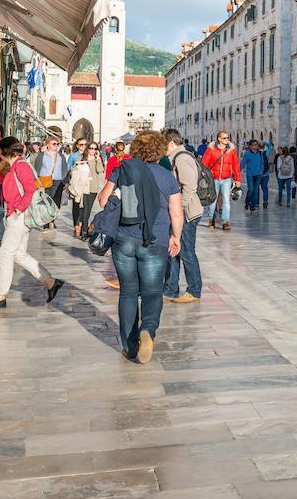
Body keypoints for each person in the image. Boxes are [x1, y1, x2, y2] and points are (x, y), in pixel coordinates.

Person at [97, 131, 182, 364]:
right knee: (153, 291)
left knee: (128, 291)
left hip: (124, 238)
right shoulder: (167, 177)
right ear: (159, 151)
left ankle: (129, 346)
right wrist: (176, 236)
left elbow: (103, 201)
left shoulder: (121, 170)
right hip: (155, 240)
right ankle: (148, 330)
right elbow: (175, 211)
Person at [0, 137, 66, 310]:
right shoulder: (14, 165)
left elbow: (30, 189)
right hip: (15, 215)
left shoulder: (21, 165)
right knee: (18, 254)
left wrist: (18, 210)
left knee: (5, 254)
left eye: (0, 151)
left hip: (19, 216)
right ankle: (51, 282)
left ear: (4, 151)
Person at [163, 129, 203, 304]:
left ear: (171, 143)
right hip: (181, 212)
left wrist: (179, 208)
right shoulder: (176, 157)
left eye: (163, 144)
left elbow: (189, 186)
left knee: (187, 252)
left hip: (187, 213)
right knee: (174, 250)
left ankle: (194, 290)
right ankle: (171, 288)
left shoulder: (182, 158)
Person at [202, 131, 241, 230]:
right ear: (219, 139)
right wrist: (205, 176)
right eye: (224, 138)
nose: (227, 139)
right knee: (213, 200)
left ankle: (225, 222)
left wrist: (238, 179)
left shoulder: (231, 151)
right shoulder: (211, 150)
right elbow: (204, 164)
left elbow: (236, 165)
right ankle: (211, 219)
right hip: (213, 179)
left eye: (228, 137)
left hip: (226, 179)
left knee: (226, 201)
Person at [67, 142, 105, 240]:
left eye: (95, 149)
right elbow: (74, 170)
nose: (93, 150)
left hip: (93, 188)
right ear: (87, 148)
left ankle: (85, 230)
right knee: (84, 209)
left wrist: (97, 159)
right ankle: (84, 231)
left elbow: (100, 170)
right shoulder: (81, 158)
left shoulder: (97, 160)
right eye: (91, 148)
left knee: (88, 210)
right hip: (83, 187)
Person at [31, 136, 66, 228]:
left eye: (57, 144)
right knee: (46, 201)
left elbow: (64, 168)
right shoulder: (42, 155)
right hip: (45, 181)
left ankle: (52, 219)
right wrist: (37, 180)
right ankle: (46, 224)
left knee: (56, 203)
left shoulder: (61, 156)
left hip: (58, 181)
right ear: (47, 145)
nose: (56, 145)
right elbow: (37, 167)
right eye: (54, 144)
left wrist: (65, 181)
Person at [239, 140, 266, 212]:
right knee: (251, 190)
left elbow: (262, 163)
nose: (256, 146)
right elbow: (242, 163)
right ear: (250, 146)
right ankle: (247, 202)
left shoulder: (260, 153)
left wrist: (261, 171)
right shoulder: (247, 154)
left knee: (255, 191)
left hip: (258, 175)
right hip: (250, 175)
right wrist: (237, 172)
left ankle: (252, 206)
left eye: (256, 144)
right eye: (254, 145)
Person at [260, 140, 274, 209]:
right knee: (265, 188)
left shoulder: (256, 154)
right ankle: (265, 201)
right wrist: (264, 142)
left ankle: (256, 203)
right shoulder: (266, 154)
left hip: (258, 174)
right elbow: (270, 147)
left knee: (256, 189)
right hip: (266, 174)